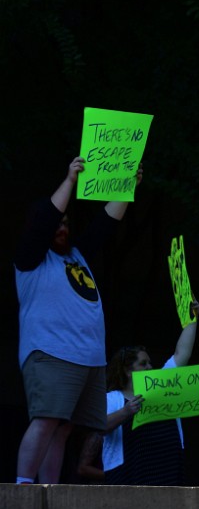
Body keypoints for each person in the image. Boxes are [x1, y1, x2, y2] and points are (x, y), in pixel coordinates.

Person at [14, 156, 140, 485]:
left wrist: (127, 187)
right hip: (51, 352)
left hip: (87, 358)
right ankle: (23, 486)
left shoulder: (77, 255)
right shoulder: (30, 257)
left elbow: (105, 224)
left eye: (66, 223)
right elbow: (45, 218)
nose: (62, 227)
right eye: (57, 223)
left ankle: (49, 490)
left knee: (65, 427)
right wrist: (70, 180)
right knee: (46, 419)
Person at [102, 301, 199, 485]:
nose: (150, 367)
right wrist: (126, 411)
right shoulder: (112, 398)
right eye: (143, 364)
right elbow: (98, 426)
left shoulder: (163, 386)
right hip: (129, 474)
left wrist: (192, 319)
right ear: (127, 370)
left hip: (168, 471)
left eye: (149, 363)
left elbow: (182, 353)